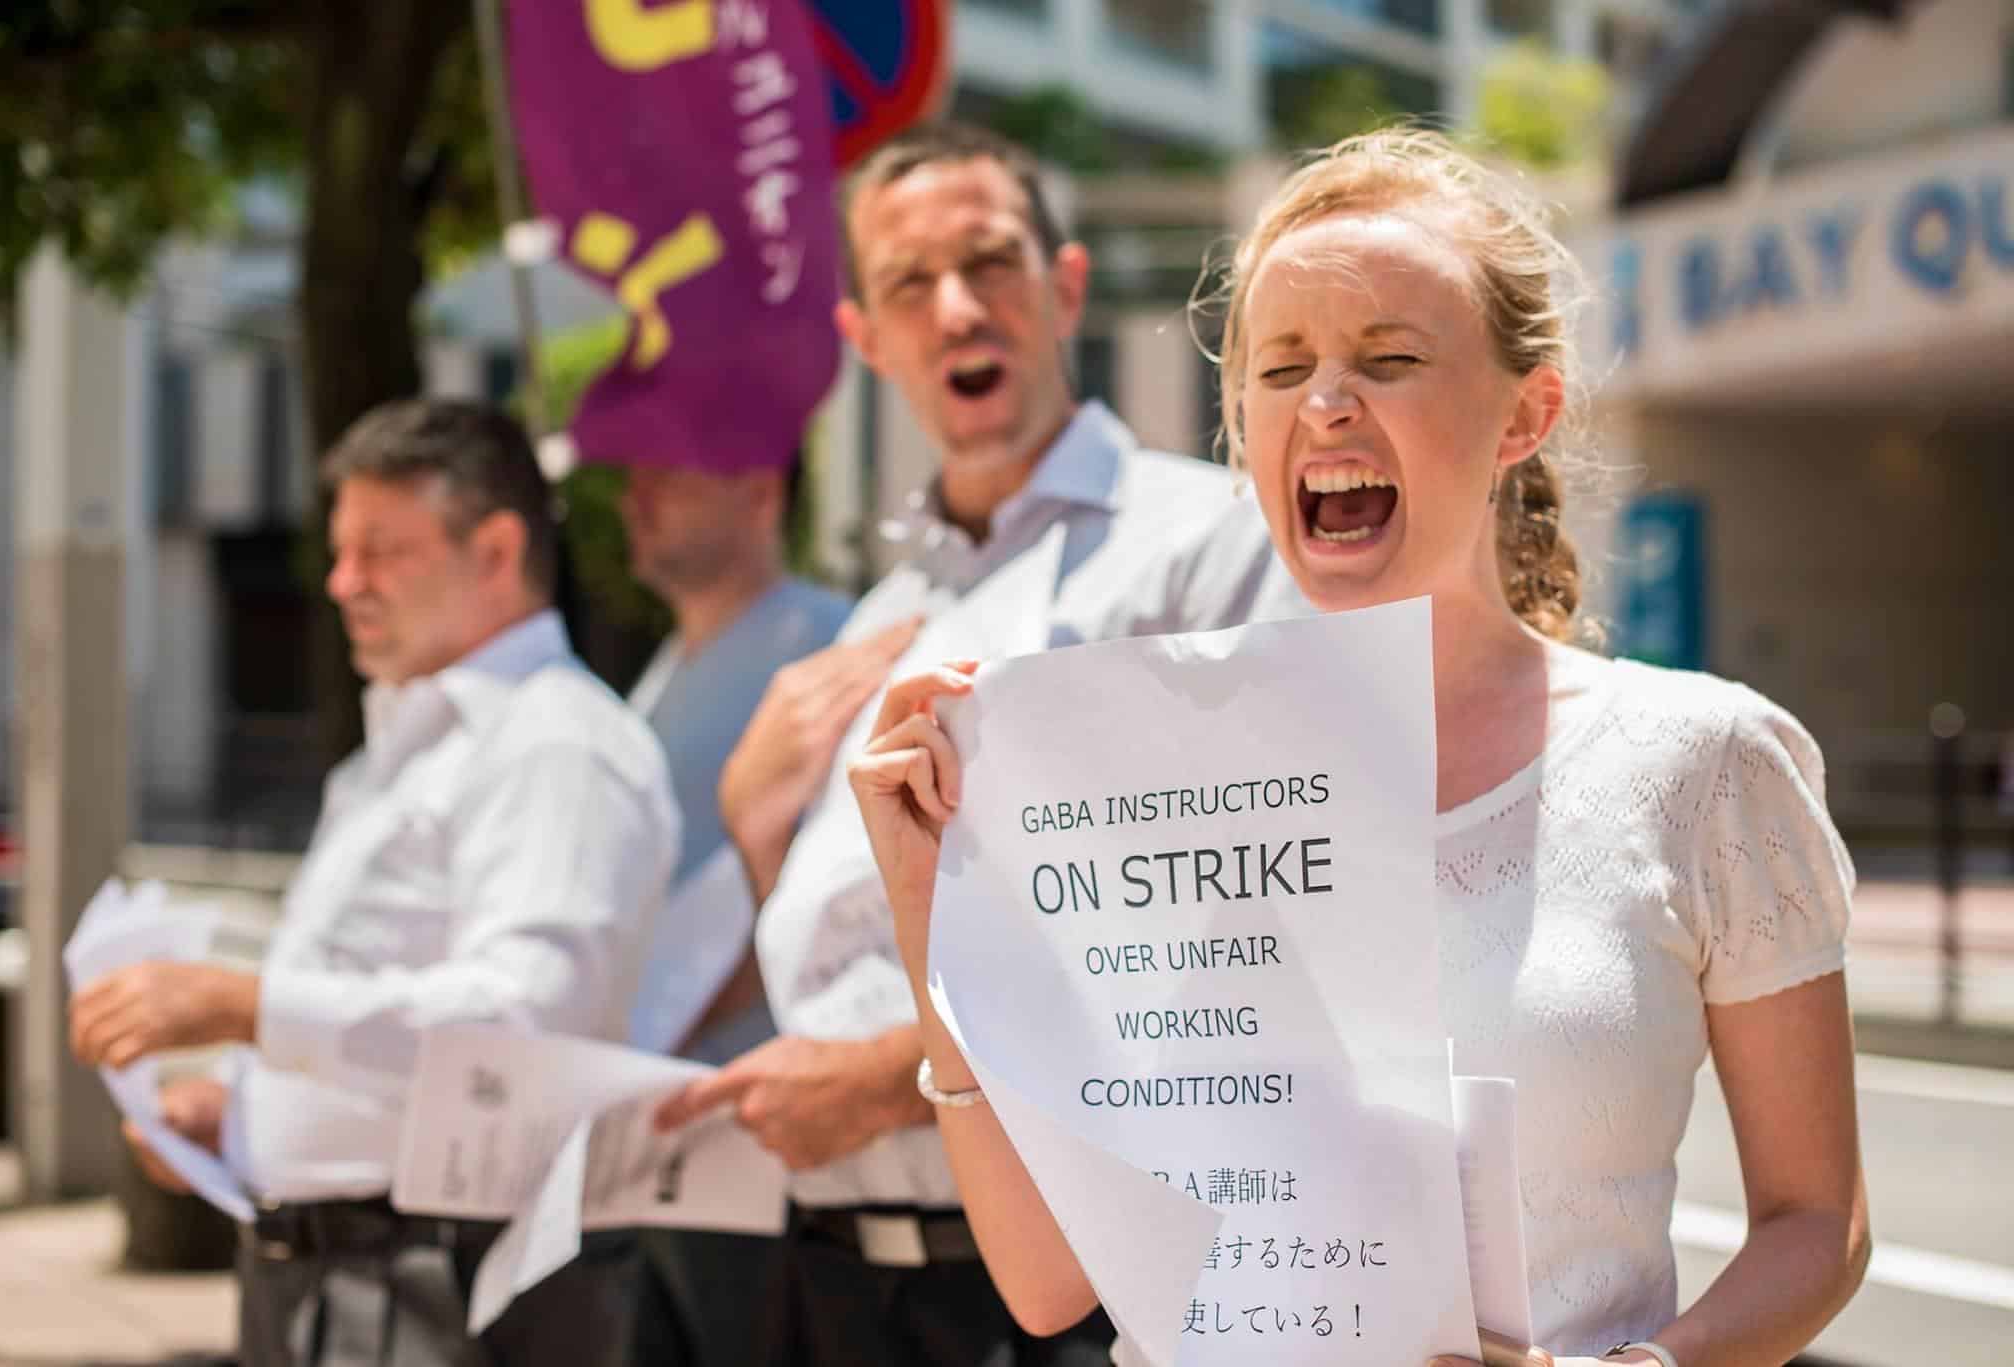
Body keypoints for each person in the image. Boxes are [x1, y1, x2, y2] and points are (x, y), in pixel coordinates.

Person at [848, 129, 1869, 1367]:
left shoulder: (1703, 760)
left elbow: (1817, 1221)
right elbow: (1049, 1281)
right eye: (1280, 370)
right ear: (1242, 427)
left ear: (1524, 412)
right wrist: (930, 905)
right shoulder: (1129, 776)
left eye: (1388, 359)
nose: (1326, 402)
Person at [654, 121, 1295, 1366]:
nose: (956, 308)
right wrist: (751, 820)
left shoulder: (1204, 541)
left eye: (990, 262)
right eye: (909, 283)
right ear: (866, 339)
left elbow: (1237, 932)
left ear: (1064, 288)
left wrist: (880, 1080)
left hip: (1072, 1292)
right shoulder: (880, 618)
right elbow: (839, 935)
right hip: (832, 1283)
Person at [69, 398, 679, 1367]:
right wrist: (241, 1113)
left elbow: (523, 1022)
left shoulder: (553, 743)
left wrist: (247, 1006)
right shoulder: (402, 749)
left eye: (381, 550)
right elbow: (384, 1020)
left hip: (440, 1288)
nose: (343, 582)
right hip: (348, 1279)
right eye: (340, 551)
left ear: (495, 551)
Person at [611, 444, 870, 1366]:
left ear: (761, 490)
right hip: (659, 1140)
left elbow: (833, 895)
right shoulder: (658, 675)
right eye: (636, 474)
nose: (636, 495)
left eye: (670, 472)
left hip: (778, 1163)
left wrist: (658, 1015)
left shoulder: (833, 647)